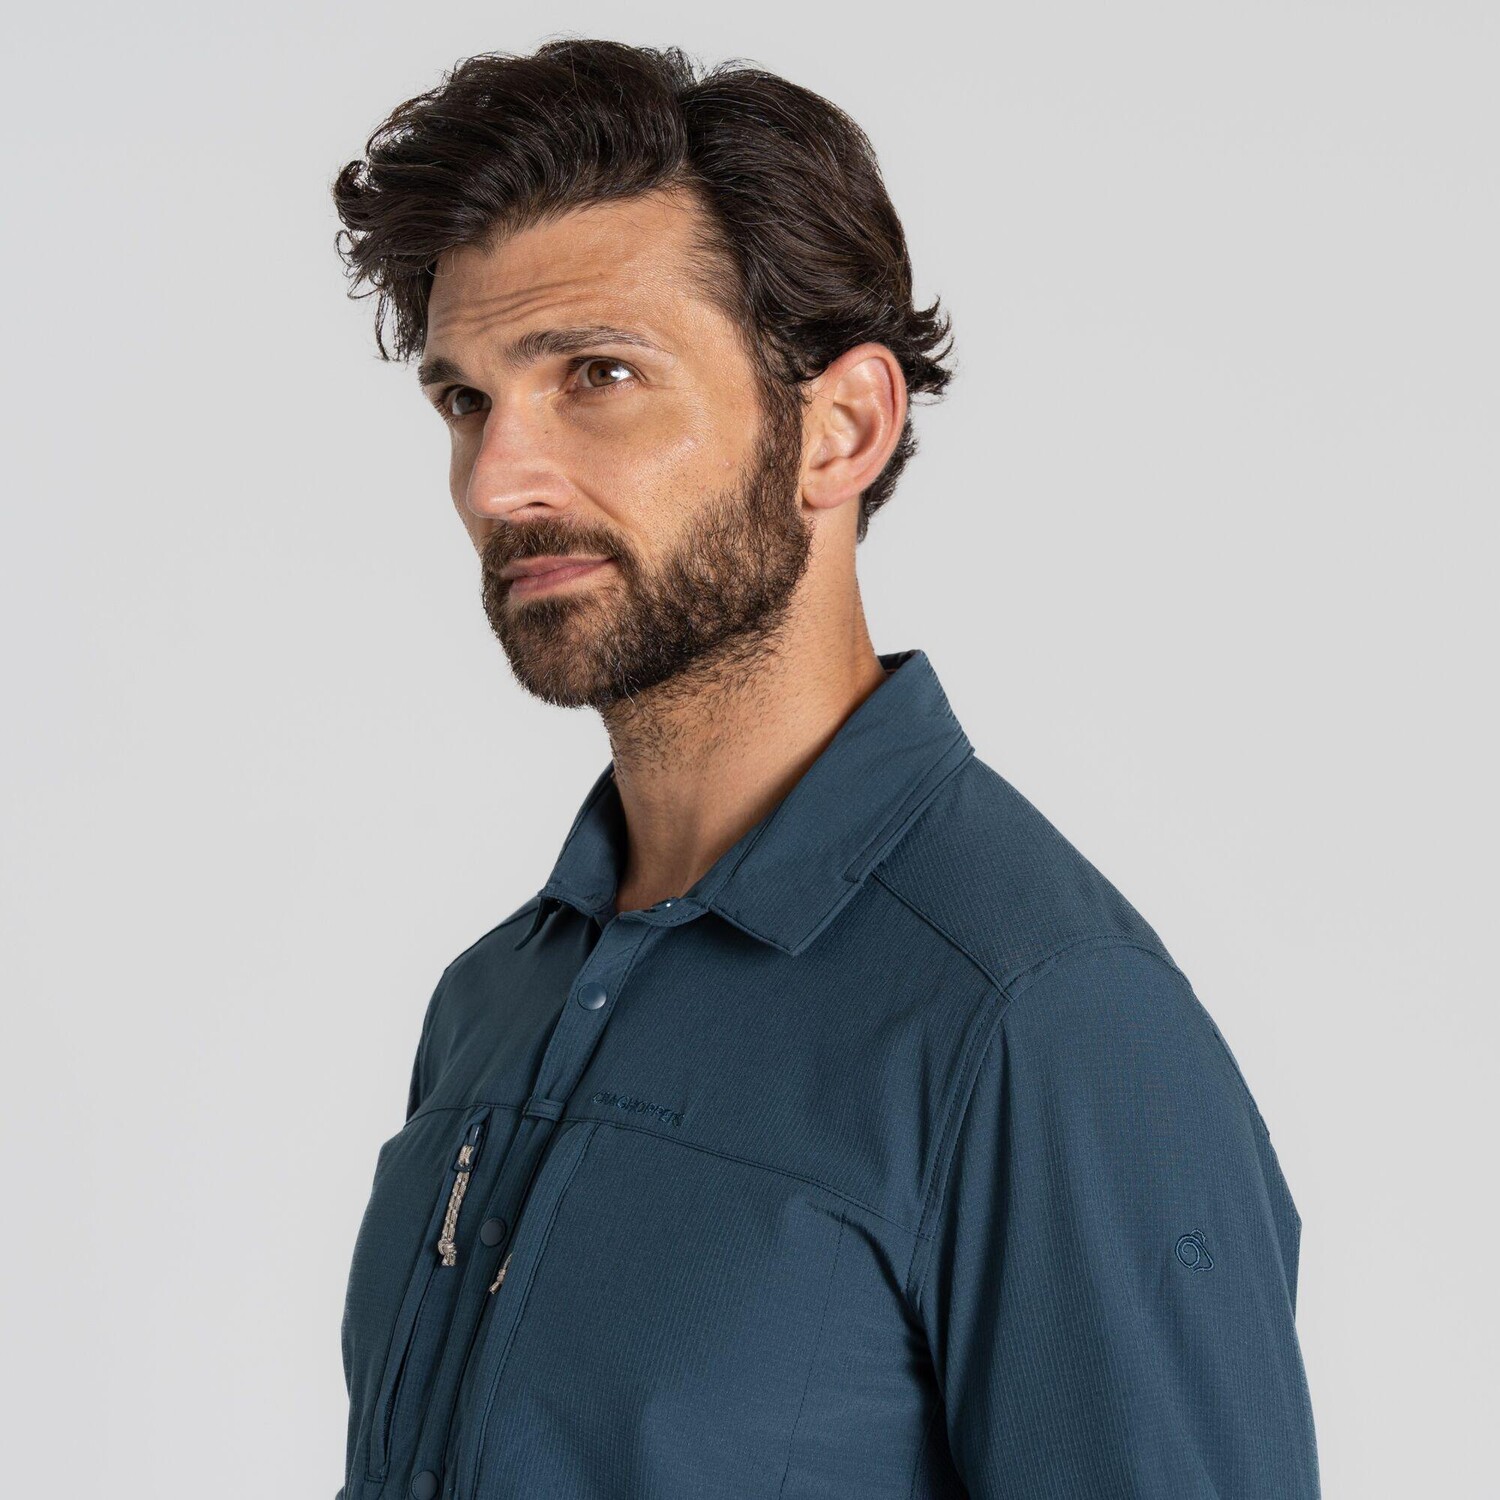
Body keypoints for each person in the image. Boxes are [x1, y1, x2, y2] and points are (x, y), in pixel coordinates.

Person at [329, 38, 1320, 1500]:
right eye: (467, 401)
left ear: (841, 429)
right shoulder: (495, 999)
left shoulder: (1045, 1025)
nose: (498, 481)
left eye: (598, 375)